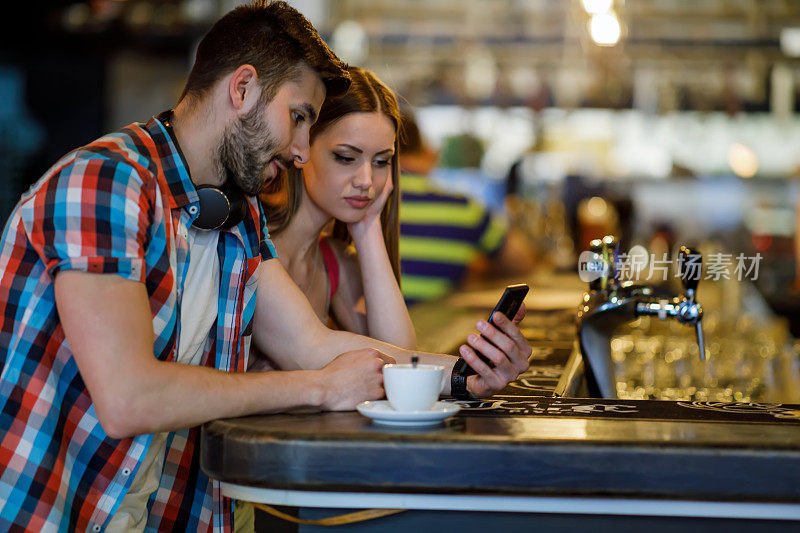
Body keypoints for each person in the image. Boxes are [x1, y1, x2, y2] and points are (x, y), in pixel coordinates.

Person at [0, 2, 532, 531]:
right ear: (243, 88)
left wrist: (461, 377)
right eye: (298, 117)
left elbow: (314, 345)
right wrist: (319, 387)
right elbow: (128, 397)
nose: (303, 151)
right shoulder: (106, 182)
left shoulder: (236, 211)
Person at [259, 66, 414, 353]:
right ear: (302, 146)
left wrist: (368, 229)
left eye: (381, 162)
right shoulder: (250, 244)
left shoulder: (333, 261)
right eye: (346, 158)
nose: (366, 181)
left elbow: (399, 360)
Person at [398, 107, 536, 305]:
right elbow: (522, 262)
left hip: (365, 333)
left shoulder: (363, 206)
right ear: (427, 152)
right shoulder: (464, 209)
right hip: (438, 330)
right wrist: (479, 267)